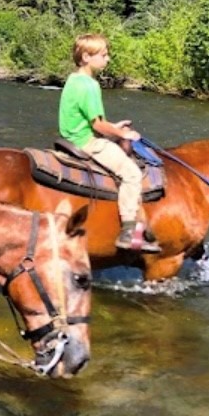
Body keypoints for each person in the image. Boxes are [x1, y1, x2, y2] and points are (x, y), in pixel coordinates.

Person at [58, 33, 160, 253]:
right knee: (132, 174)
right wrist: (123, 134)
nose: (108, 59)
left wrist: (115, 127)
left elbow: (91, 120)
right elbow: (98, 126)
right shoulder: (90, 85)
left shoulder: (73, 80)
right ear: (86, 56)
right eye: (103, 55)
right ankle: (129, 231)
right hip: (87, 142)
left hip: (72, 136)